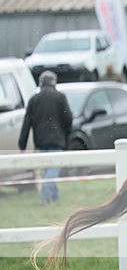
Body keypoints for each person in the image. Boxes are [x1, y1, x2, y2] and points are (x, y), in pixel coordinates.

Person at [18, 71, 73, 205]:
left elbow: (26, 123)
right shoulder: (60, 97)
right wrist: (66, 135)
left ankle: (54, 198)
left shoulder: (33, 100)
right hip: (57, 140)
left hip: (40, 141)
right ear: (54, 82)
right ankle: (46, 197)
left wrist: (22, 144)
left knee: (48, 169)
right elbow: (69, 118)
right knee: (53, 168)